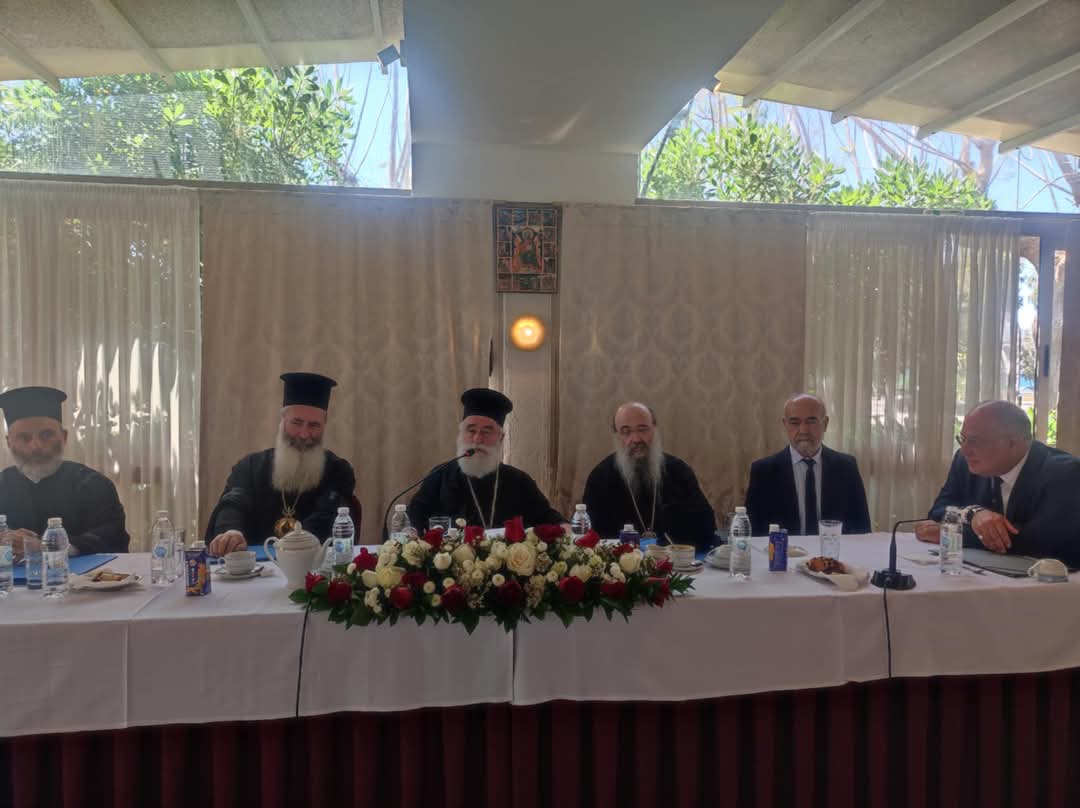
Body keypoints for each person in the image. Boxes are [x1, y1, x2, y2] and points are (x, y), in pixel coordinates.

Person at [206, 373, 356, 555]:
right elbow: (233, 503)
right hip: (254, 568)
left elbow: (328, 520)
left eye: (314, 425)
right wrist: (232, 532)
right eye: (297, 422)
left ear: (324, 425)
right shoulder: (250, 466)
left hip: (310, 565)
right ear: (283, 421)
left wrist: (291, 549)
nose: (304, 434)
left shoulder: (338, 470)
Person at [915, 400, 1080, 566]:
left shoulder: (1065, 473)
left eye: (975, 440)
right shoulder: (965, 462)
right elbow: (938, 512)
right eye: (963, 439)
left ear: (1012, 442)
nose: (964, 450)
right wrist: (973, 513)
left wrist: (954, 534)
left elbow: (1039, 541)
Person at [407, 388, 565, 531]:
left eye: (486, 432)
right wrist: (411, 530)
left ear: (500, 438)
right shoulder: (440, 475)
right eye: (471, 430)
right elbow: (414, 516)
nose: (477, 439)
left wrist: (564, 526)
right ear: (461, 433)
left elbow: (546, 516)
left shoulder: (519, 480)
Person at [0, 386, 129, 557]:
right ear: (9, 442)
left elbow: (113, 538)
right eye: (24, 437)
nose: (36, 446)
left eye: (46, 435)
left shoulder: (94, 484)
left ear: (64, 437)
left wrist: (48, 547)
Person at [581, 402, 716, 549]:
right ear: (617, 436)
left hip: (675, 559)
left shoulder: (678, 471)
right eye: (626, 432)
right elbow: (591, 537)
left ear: (655, 430)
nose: (636, 439)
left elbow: (706, 527)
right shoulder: (601, 477)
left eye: (642, 429)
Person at [745, 394, 872, 536]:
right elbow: (753, 534)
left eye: (811, 421)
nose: (804, 430)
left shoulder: (847, 467)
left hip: (834, 549)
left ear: (825, 424)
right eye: (795, 422)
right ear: (785, 425)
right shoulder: (763, 472)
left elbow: (862, 530)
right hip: (784, 550)